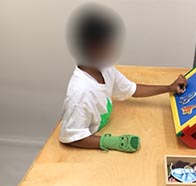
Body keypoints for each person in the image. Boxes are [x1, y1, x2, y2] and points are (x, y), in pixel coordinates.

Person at [60, 4, 187, 153]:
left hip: (101, 130)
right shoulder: (80, 93)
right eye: (109, 45)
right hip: (85, 147)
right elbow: (72, 137)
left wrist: (168, 88)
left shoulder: (104, 68)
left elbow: (132, 89)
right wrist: (112, 142)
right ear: (92, 48)